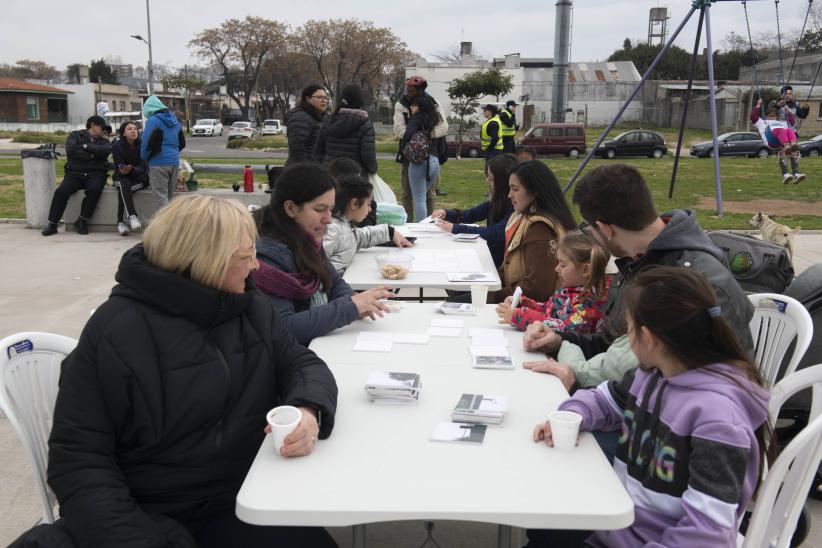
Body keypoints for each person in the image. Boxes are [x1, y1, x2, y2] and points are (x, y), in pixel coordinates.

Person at [13, 195, 339, 548]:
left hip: (242, 499)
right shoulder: (115, 332)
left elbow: (301, 363)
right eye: (246, 256)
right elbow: (78, 462)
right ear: (207, 262)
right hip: (147, 514)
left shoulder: (251, 309)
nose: (256, 267)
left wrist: (308, 409)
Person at [526, 266, 772, 548]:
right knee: (545, 526)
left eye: (628, 330)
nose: (626, 339)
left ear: (650, 338)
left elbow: (706, 534)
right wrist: (573, 414)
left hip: (652, 540)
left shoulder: (718, 418)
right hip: (619, 525)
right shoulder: (652, 375)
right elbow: (604, 399)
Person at [522, 163, 754, 393]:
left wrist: (579, 384)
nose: (591, 236)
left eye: (589, 228)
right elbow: (611, 345)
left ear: (606, 229)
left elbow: (690, 389)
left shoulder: (696, 282)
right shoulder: (638, 263)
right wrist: (558, 340)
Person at [253, 163, 394, 345]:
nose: (328, 219)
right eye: (320, 209)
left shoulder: (307, 239)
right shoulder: (266, 258)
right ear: (290, 208)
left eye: (331, 209)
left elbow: (333, 281)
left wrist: (356, 302)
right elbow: (285, 327)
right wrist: (350, 308)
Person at [489, 160, 576, 304]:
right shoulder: (524, 218)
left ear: (534, 191)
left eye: (515, 189)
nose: (509, 195)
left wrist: (491, 296)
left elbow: (537, 289)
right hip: (517, 303)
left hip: (529, 310)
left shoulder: (540, 228)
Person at [496, 230, 611, 333]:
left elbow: (564, 328)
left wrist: (520, 316)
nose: (556, 269)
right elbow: (548, 310)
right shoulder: (568, 290)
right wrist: (523, 303)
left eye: (563, 265)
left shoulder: (591, 302)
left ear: (585, 269)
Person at [430, 153, 518, 268]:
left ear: (503, 183)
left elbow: (495, 234)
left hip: (497, 265)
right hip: (489, 257)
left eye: (491, 179)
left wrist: (455, 228)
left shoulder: (513, 207)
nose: (487, 181)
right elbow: (472, 214)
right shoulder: (497, 201)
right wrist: (446, 213)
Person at [323, 173, 413, 275]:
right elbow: (315, 269)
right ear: (354, 204)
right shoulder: (332, 229)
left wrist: (389, 231)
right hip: (336, 288)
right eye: (368, 204)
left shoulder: (345, 225)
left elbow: (360, 237)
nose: (370, 209)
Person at [41, 115, 111, 236]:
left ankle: (82, 221)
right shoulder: (75, 135)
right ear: (93, 126)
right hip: (75, 173)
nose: (104, 130)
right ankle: (52, 224)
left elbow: (104, 152)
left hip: (96, 174)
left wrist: (86, 147)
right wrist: (93, 156)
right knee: (61, 192)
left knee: (95, 189)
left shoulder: (104, 141)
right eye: (102, 127)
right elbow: (72, 151)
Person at [393, 75, 449, 219]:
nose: (407, 92)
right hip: (410, 155)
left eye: (411, 90)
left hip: (430, 154)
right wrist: (419, 139)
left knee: (428, 195)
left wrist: (423, 136)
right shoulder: (401, 104)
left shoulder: (433, 103)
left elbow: (444, 127)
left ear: (420, 90)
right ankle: (408, 223)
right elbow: (399, 130)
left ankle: (429, 223)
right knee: (407, 193)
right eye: (407, 89)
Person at [314, 83, 377, 176]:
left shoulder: (328, 121)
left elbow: (318, 151)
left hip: (329, 175)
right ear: (360, 101)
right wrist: (373, 169)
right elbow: (368, 156)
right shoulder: (366, 125)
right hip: (355, 177)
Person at [400, 95, 443, 223]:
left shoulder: (416, 120)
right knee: (423, 196)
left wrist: (404, 146)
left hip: (420, 161)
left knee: (419, 199)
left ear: (420, 107)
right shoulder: (436, 119)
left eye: (414, 105)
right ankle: (428, 224)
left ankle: (421, 227)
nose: (411, 108)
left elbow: (407, 135)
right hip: (434, 161)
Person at [140, 95, 185, 207]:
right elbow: (181, 142)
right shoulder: (175, 121)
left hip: (158, 163)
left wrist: (145, 158)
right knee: (168, 198)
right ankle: (171, 223)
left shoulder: (153, 121)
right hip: (174, 163)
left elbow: (146, 143)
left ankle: (166, 224)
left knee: (160, 199)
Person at [111, 121, 148, 235]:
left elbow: (143, 165)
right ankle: (132, 216)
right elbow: (119, 165)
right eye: (129, 129)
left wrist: (132, 169)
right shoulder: (117, 146)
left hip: (139, 178)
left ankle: (121, 222)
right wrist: (124, 169)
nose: (133, 131)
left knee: (123, 190)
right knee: (124, 184)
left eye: (135, 129)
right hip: (122, 177)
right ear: (123, 133)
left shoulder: (142, 145)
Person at [285, 84, 328, 166]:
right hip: (302, 171)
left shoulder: (317, 117)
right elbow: (297, 150)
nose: (324, 100)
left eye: (325, 97)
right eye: (319, 97)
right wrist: (308, 170)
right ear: (308, 99)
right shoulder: (300, 117)